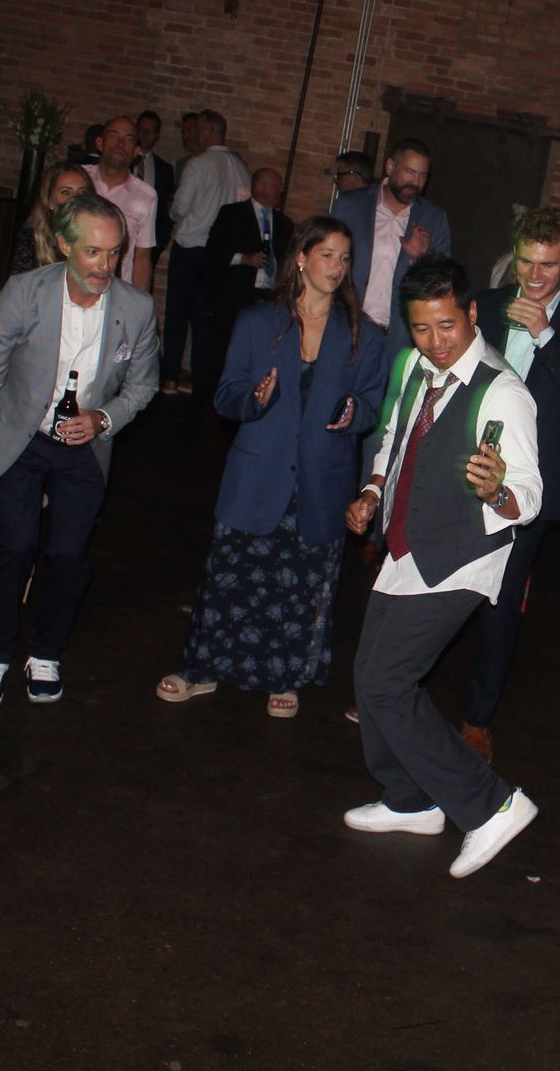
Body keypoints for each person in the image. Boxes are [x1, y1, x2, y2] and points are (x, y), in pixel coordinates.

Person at [341, 253, 542, 879]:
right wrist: (374, 492)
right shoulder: (419, 368)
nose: (436, 341)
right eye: (422, 328)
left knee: (387, 683)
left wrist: (496, 491)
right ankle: (411, 801)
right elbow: (396, 439)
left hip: (460, 555)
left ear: (472, 313)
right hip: (406, 542)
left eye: (447, 326)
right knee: (369, 673)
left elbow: (529, 497)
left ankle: (493, 805)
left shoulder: (502, 390)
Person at [157, 217, 389, 715]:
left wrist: (353, 414)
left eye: (345, 258)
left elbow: (372, 404)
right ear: (301, 257)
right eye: (327, 254)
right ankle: (202, 669)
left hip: (320, 480)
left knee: (301, 585)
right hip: (258, 474)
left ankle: (285, 676)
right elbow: (226, 393)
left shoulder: (362, 335)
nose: (337, 266)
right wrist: (253, 400)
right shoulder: (259, 321)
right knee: (230, 578)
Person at [0, 194, 158, 706]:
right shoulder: (25, 294)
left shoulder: (135, 309)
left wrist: (103, 418)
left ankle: (46, 650)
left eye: (114, 253)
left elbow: (144, 386)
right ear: (65, 245)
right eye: (92, 252)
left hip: (84, 450)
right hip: (20, 440)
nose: (104, 266)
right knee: (14, 545)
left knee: (69, 555)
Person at [457, 208, 560, 761]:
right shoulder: (488, 304)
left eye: (548, 263)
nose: (536, 275)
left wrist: (546, 335)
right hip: (466, 469)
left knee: (499, 597)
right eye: (527, 261)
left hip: (532, 486)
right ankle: (400, 690)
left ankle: (478, 717)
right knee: (435, 579)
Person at [163, 109, 248, 394]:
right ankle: (200, 381)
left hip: (190, 248)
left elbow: (180, 207)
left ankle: (171, 377)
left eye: (199, 130)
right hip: (217, 255)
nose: (195, 135)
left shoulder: (198, 165)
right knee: (203, 319)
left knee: (177, 315)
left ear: (211, 131)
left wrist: (172, 212)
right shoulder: (240, 168)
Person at [332, 138, 451, 332]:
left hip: (397, 336)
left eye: (423, 176)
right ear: (390, 166)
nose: (416, 182)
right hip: (346, 325)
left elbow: (444, 284)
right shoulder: (350, 205)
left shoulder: (434, 219)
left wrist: (420, 259)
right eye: (409, 172)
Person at [203, 166, 291, 395]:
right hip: (236, 292)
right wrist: (244, 259)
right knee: (224, 345)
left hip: (269, 296)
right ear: (260, 186)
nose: (281, 190)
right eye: (276, 184)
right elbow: (214, 251)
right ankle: (213, 393)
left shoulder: (284, 224)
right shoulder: (232, 214)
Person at [83, 115, 157, 293]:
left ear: (136, 151)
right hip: (73, 285)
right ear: (100, 143)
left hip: (115, 292)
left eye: (128, 139)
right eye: (114, 136)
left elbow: (142, 258)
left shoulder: (146, 196)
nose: (120, 144)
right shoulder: (80, 180)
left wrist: (138, 307)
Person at [10, 165, 92, 276]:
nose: (75, 199)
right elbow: (20, 288)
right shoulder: (31, 240)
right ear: (49, 201)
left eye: (82, 192)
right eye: (65, 192)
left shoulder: (99, 239)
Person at [132, 109, 176, 265]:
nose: (145, 134)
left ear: (157, 136)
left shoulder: (164, 169)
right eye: (142, 129)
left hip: (150, 237)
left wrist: (163, 238)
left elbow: (167, 205)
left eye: (150, 131)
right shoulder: (123, 160)